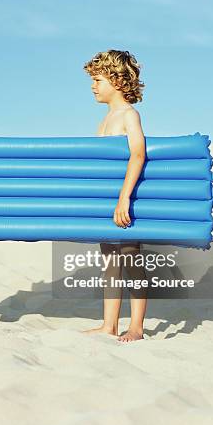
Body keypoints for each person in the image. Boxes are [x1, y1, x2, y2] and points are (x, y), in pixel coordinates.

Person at [81, 50, 148, 342]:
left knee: (131, 259)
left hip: (124, 201)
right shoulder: (106, 119)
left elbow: (137, 154)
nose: (93, 86)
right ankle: (109, 325)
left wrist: (124, 199)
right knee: (109, 262)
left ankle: (137, 326)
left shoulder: (128, 115)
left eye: (98, 79)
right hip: (106, 203)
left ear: (118, 80)